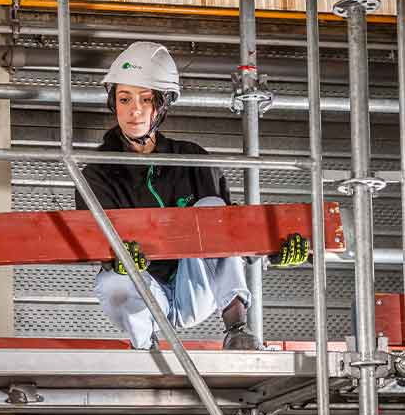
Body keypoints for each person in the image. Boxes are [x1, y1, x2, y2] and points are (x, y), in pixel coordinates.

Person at [76, 41, 309, 351]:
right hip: (145, 291)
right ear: (112, 102)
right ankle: (146, 347)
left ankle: (238, 329)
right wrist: (114, 258)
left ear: (163, 105)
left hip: (197, 287)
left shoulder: (192, 160)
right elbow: (94, 242)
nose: (134, 110)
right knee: (113, 282)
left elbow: (230, 232)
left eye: (146, 99)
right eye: (124, 98)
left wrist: (269, 250)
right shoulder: (98, 173)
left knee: (213, 209)